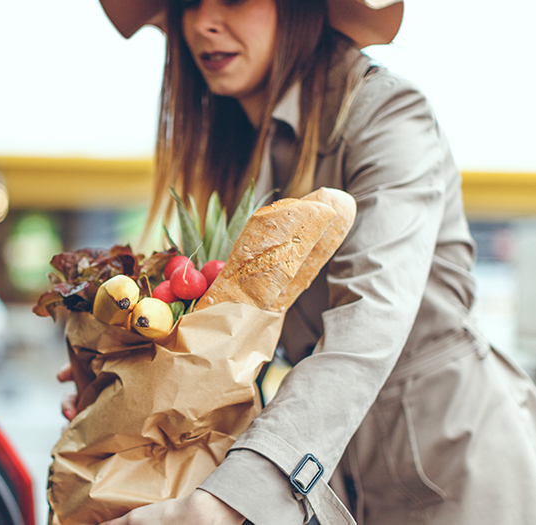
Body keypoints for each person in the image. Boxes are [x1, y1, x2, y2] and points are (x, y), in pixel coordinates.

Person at [57, 0, 536, 523]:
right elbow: (224, 322)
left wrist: (230, 502)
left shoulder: (389, 113)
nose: (202, 23)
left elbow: (370, 318)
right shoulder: (238, 146)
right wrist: (131, 376)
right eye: (188, 1)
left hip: (453, 462)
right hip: (332, 472)